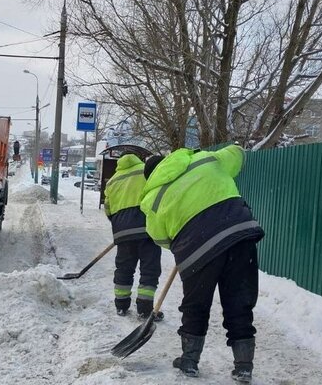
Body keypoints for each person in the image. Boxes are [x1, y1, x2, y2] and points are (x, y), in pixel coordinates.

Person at [140, 145, 264, 383]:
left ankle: (189, 360)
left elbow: (159, 238)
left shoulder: (153, 198)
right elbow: (237, 154)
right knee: (239, 301)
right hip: (239, 234)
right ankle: (244, 366)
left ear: (149, 178)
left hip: (197, 250)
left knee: (196, 304)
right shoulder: (202, 160)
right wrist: (208, 157)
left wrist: (186, 236)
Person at [104, 153, 163, 320]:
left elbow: (108, 208)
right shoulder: (146, 171)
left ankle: (121, 306)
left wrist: (121, 225)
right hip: (147, 229)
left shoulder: (113, 181)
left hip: (123, 232)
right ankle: (144, 310)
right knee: (149, 269)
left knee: (124, 268)